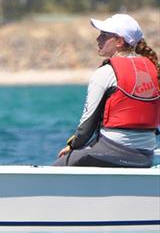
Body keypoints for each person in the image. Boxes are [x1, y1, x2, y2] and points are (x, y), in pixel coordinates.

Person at [54, 14, 159, 168]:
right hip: (146, 155)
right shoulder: (154, 70)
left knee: (63, 162)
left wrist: (73, 147)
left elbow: (86, 126)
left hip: (113, 151)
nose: (98, 39)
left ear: (119, 41)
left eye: (104, 35)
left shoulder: (106, 72)